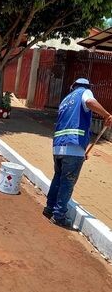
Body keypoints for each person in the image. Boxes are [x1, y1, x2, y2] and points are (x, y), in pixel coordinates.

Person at [43, 77, 112, 228]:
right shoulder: (84, 92)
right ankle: (59, 215)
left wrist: (81, 151)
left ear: (72, 86)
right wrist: (106, 115)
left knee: (58, 178)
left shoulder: (65, 100)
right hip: (73, 147)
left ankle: (49, 208)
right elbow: (90, 102)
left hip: (58, 146)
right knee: (67, 182)